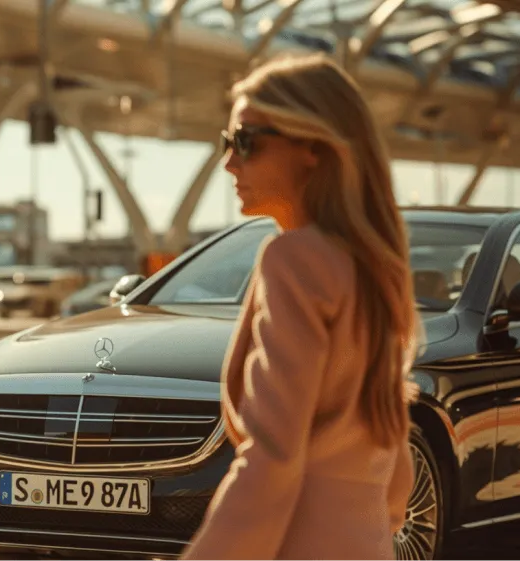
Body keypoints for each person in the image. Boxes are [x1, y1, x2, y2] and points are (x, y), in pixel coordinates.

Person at [181, 53, 419, 561]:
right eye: (229, 143)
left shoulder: (294, 260)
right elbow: (395, 471)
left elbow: (274, 454)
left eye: (245, 141)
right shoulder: (376, 270)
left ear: (312, 146)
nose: (229, 162)